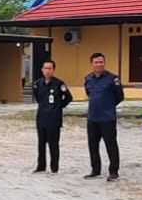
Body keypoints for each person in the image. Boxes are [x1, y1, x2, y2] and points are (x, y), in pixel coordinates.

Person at [82, 52, 124, 181]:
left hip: (107, 118)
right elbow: (89, 94)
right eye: (96, 62)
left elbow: (120, 96)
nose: (99, 64)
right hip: (93, 118)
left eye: (101, 62)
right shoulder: (88, 79)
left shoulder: (113, 79)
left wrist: (108, 105)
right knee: (93, 145)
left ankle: (113, 171)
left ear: (104, 63)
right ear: (92, 64)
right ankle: (95, 170)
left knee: (111, 144)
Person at [31, 59, 72, 173]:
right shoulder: (37, 84)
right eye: (45, 68)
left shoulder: (59, 84)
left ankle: (54, 167)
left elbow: (69, 97)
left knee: (53, 144)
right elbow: (38, 98)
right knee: (41, 144)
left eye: (50, 68)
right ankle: (41, 166)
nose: (47, 71)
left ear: (53, 70)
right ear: (42, 70)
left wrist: (58, 106)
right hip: (42, 117)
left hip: (54, 118)